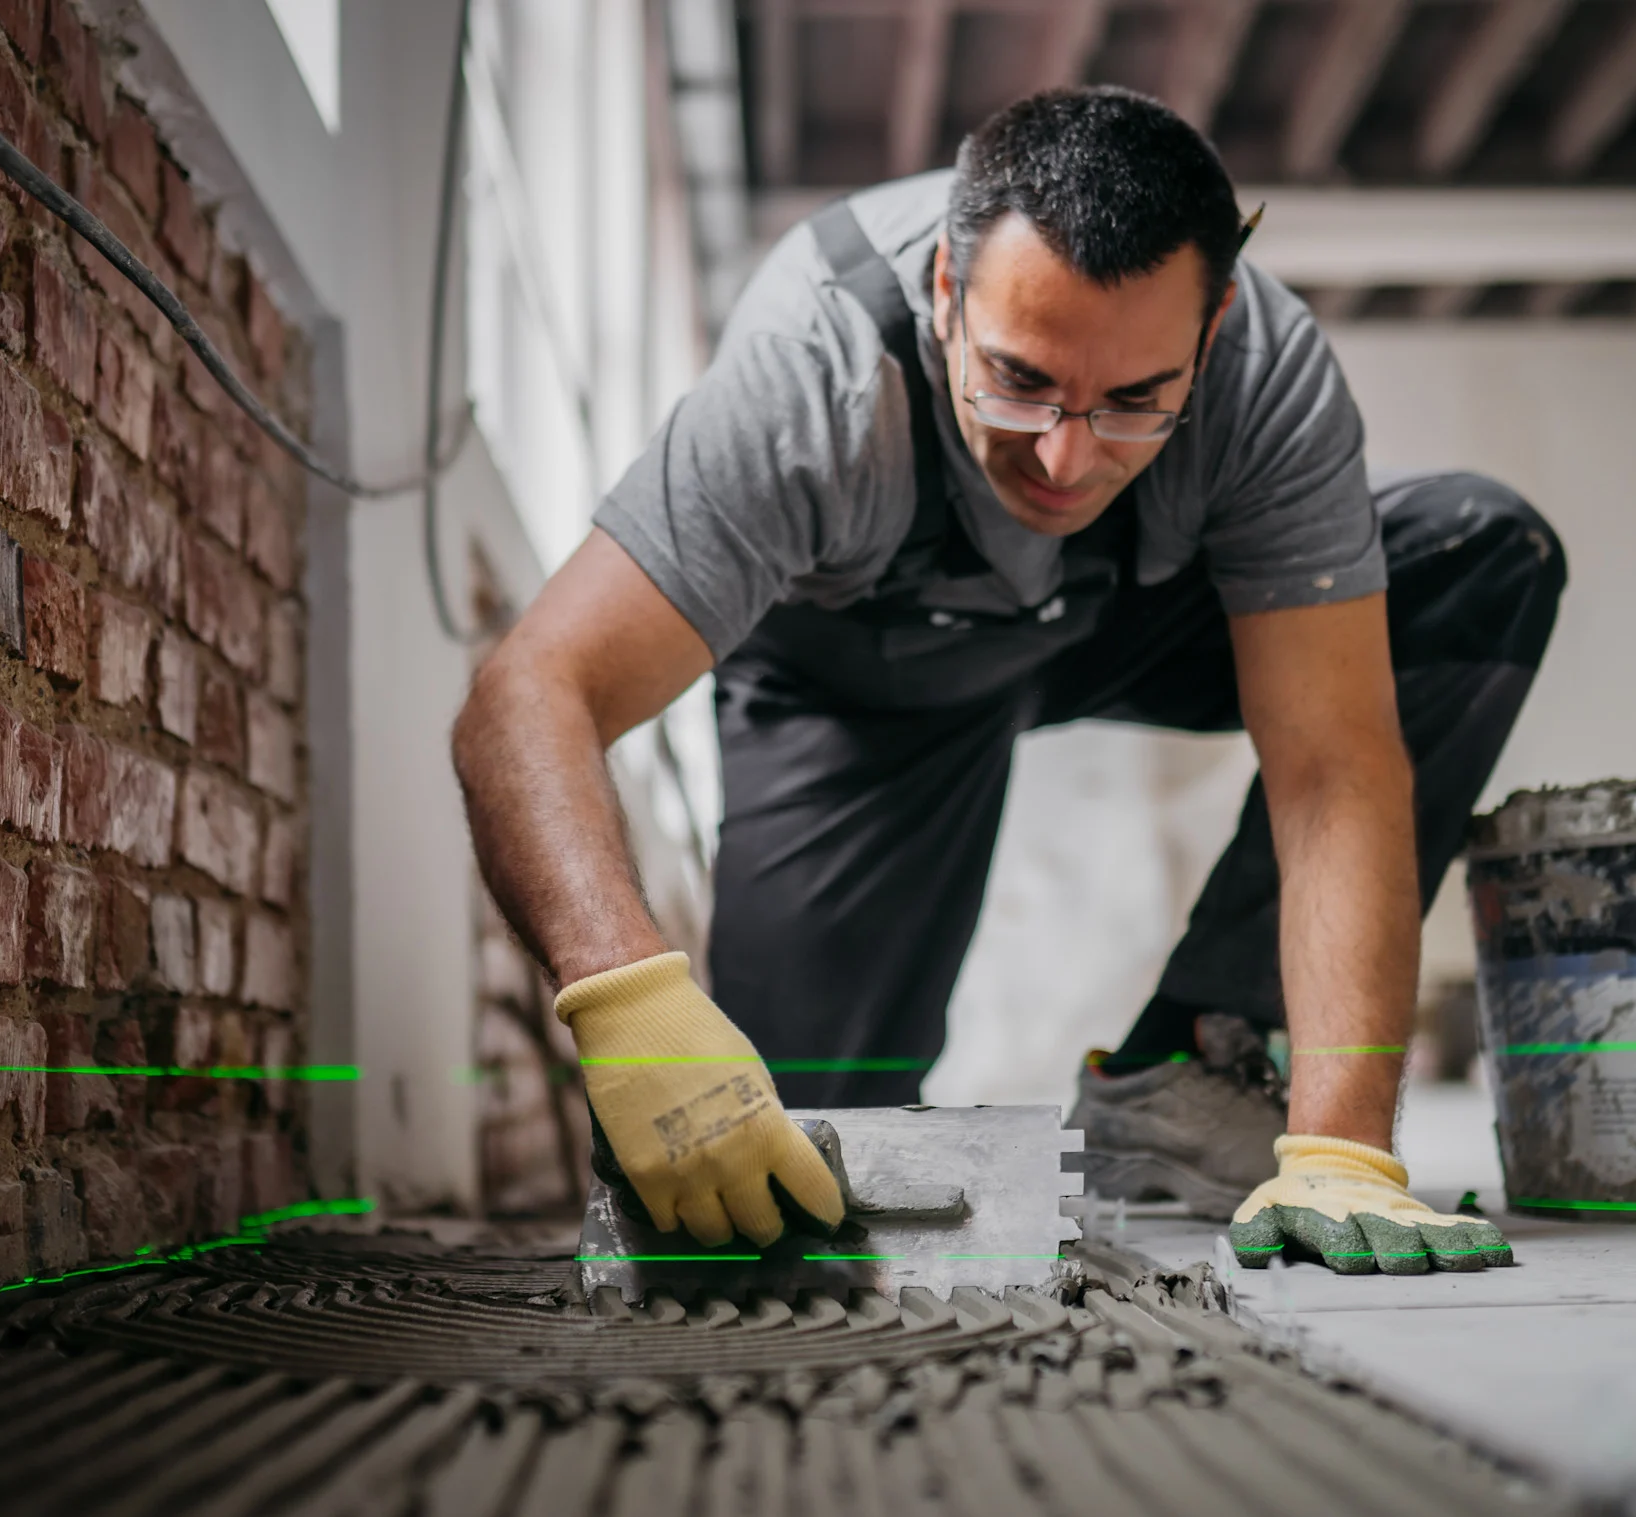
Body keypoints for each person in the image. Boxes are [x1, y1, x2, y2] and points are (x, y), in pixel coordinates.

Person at [453, 89, 1562, 1276]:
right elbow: (529, 696)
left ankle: (1187, 1064)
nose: (1066, 459)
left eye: (1137, 400)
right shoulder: (809, 376)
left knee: (1473, 554)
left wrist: (1345, 1146)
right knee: (789, 1157)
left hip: (1118, 623)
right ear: (943, 290)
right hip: (861, 685)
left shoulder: (1262, 373)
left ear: (1216, 320)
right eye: (1018, 381)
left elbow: (1332, 766)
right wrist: (625, 999)